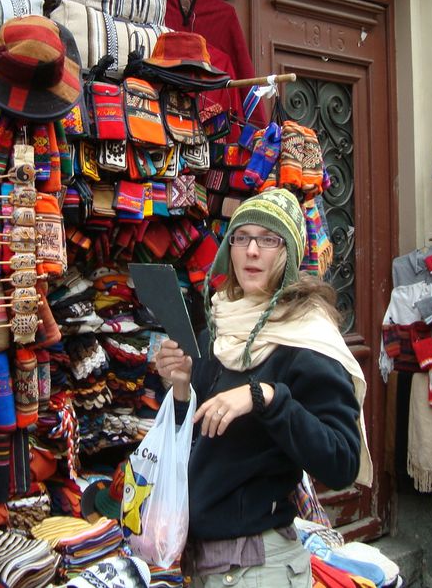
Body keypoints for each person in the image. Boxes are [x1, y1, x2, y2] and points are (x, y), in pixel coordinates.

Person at [156, 188, 372, 587]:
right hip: (202, 563)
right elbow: (202, 441)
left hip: (259, 568)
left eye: (268, 239)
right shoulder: (220, 327)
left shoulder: (307, 341)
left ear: (287, 253)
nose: (252, 250)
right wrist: (183, 390)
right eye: (242, 237)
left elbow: (341, 462)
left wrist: (267, 397)